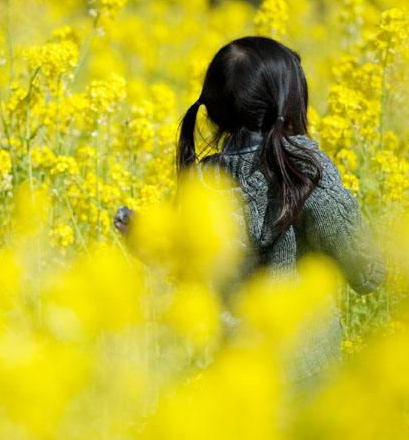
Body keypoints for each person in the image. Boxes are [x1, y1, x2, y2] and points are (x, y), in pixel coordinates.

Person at [114, 36, 385, 394]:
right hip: (310, 373)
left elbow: (190, 273)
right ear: (289, 103)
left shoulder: (202, 183)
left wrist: (146, 239)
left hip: (236, 374)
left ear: (211, 113)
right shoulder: (308, 173)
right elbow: (367, 273)